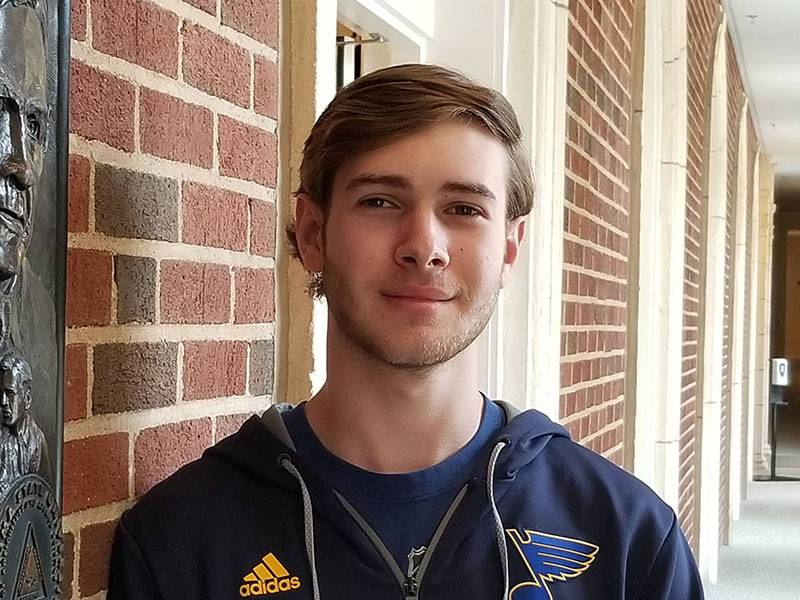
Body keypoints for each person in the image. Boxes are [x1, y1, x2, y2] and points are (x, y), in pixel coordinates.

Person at [108, 64, 703, 599]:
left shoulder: (625, 538)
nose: (424, 247)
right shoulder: (180, 539)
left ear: (509, 247)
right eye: (380, 201)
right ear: (313, 233)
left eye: (464, 209)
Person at [0, 349, 49, 492]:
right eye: (0, 393)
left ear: (27, 399)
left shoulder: (37, 439)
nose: (3, 402)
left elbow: (47, 495)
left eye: (10, 394)